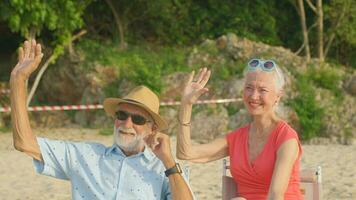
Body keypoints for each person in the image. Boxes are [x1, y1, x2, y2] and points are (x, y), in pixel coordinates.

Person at [10, 40, 194, 200]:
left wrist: (168, 161)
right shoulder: (85, 155)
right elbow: (24, 143)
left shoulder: (163, 168)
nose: (127, 124)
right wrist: (18, 81)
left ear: (152, 129)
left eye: (137, 119)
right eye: (122, 115)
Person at [176, 61, 303, 200]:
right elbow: (185, 153)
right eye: (249, 88)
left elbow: (275, 195)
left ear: (278, 96)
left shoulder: (286, 137)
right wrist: (186, 105)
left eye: (262, 90)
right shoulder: (237, 138)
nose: (254, 96)